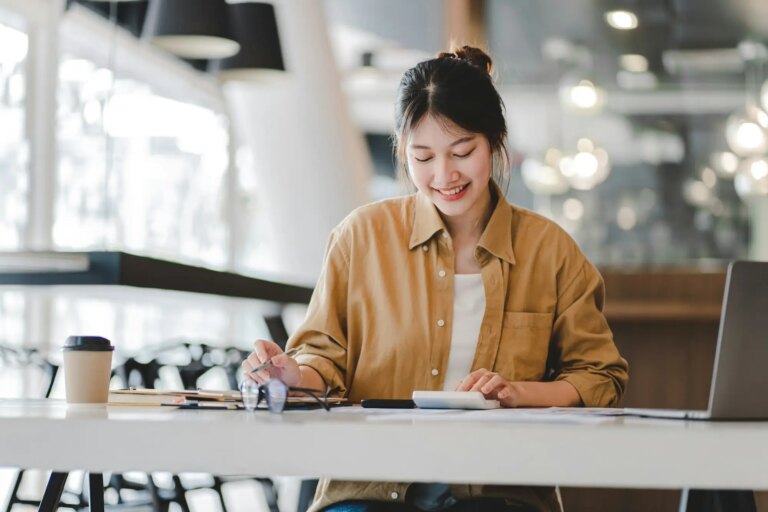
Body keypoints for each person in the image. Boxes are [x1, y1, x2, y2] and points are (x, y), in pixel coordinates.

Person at [242, 46, 629, 512]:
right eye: (421, 157)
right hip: (369, 488)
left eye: (462, 152)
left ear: (495, 141)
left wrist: (516, 392)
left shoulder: (549, 251)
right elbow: (325, 363)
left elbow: (599, 376)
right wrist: (293, 374)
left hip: (497, 493)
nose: (443, 175)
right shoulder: (360, 237)